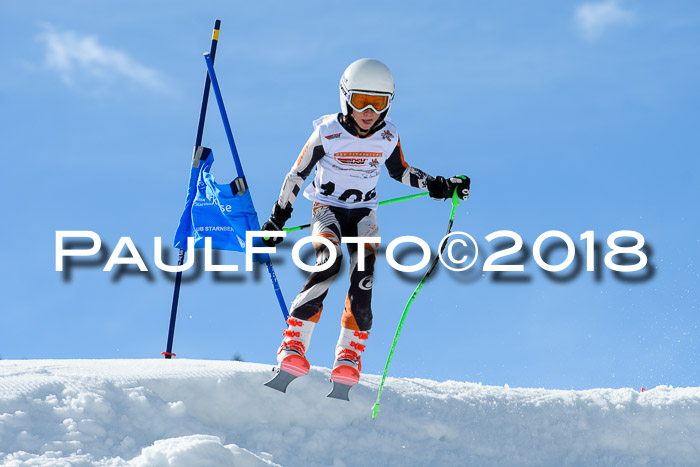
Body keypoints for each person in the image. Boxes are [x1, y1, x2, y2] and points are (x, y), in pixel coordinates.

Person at [261, 58, 470, 390]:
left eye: (379, 103)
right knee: (329, 264)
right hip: (327, 209)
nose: (369, 111)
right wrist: (276, 220)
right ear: (345, 97)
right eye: (361, 101)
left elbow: (399, 170)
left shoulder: (388, 135)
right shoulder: (327, 132)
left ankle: (348, 356)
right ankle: (293, 344)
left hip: (363, 215)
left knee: (363, 278)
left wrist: (438, 184)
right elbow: (296, 175)